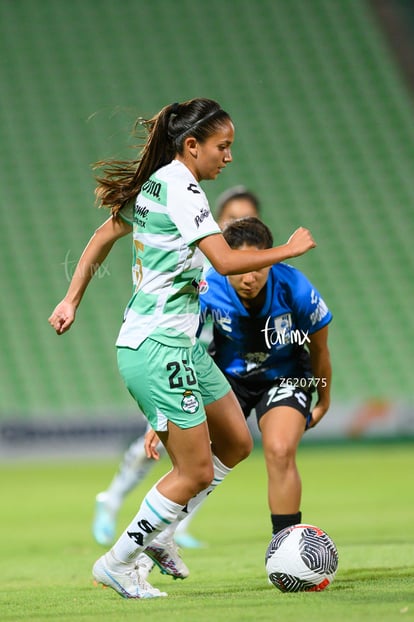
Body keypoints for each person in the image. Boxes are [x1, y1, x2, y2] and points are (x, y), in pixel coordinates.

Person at [48, 97, 315, 600]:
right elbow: (225, 261)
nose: (228, 156)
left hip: (179, 346)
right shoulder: (183, 189)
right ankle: (119, 561)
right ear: (192, 146)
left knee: (236, 442)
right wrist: (288, 250)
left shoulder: (158, 185)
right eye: (223, 146)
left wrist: (71, 298)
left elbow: (103, 236)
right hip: (157, 347)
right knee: (191, 470)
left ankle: (163, 530)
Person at [141, 217, 332, 581]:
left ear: (271, 260)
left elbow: (321, 348)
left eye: (259, 266)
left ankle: (287, 556)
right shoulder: (206, 289)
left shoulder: (295, 287)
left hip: (285, 377)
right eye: (241, 267)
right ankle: (152, 542)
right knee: (195, 463)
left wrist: (323, 397)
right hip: (226, 380)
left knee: (279, 450)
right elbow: (181, 351)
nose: (250, 276)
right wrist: (160, 414)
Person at [91, 186, 261, 551]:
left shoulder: (246, 276)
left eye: (247, 218)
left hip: (200, 367)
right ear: (219, 221)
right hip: (167, 361)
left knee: (209, 453)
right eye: (232, 218)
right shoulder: (205, 262)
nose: (239, 224)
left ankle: (170, 529)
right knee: (156, 447)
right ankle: (113, 501)